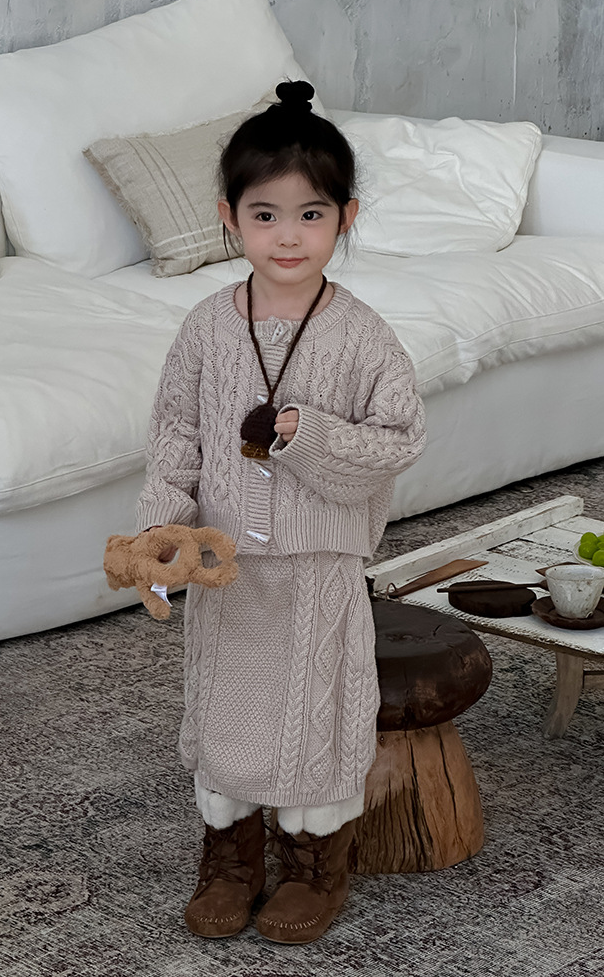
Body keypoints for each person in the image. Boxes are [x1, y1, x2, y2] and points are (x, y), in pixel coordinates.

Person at [135, 81, 427, 944]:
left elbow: (400, 438)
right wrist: (163, 528)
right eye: (265, 215)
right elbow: (176, 435)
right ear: (230, 219)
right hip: (226, 566)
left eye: (310, 214)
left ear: (346, 218)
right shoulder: (205, 329)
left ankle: (313, 863)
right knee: (227, 707)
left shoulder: (363, 335)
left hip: (317, 565)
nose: (287, 236)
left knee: (316, 712)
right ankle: (230, 856)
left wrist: (308, 434)